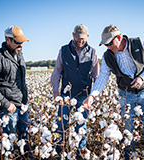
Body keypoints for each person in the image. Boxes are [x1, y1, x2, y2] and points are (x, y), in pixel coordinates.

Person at [82, 24, 144, 159]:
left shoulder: (138, 43)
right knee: (127, 128)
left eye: (110, 43)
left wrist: (142, 77)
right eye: (105, 45)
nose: (108, 47)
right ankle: (129, 155)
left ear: (119, 37)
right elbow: (103, 77)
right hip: (125, 93)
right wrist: (92, 96)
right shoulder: (107, 56)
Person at [51, 24, 99, 154]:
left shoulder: (93, 52)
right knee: (61, 122)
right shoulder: (64, 51)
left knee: (81, 124)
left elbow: (96, 76)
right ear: (73, 35)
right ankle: (58, 150)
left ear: (87, 36)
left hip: (84, 94)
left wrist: (93, 96)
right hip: (66, 95)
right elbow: (57, 72)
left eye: (83, 38)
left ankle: (80, 151)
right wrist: (56, 93)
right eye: (78, 37)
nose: (80, 40)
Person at [0, 25, 29, 153]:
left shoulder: (19, 55)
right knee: (9, 143)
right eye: (17, 42)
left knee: (25, 140)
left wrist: (25, 101)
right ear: (7, 40)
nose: (20, 45)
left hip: (22, 106)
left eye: (22, 42)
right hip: (9, 108)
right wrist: (6, 104)